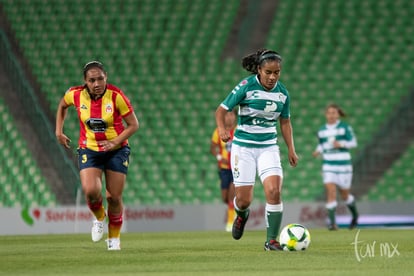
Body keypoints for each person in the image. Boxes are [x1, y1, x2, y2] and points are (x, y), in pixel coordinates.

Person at [215, 49, 299, 251]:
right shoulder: (246, 86)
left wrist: (291, 149)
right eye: (268, 72)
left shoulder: (283, 93)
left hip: (268, 148)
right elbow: (222, 110)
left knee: (274, 191)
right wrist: (222, 128)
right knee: (244, 201)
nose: (272, 77)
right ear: (259, 70)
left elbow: (285, 122)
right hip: (243, 148)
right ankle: (241, 215)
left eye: (276, 72)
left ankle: (271, 241)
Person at [55, 61, 139, 250]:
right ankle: (100, 217)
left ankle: (114, 240)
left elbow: (134, 125)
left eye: (100, 78)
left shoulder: (116, 96)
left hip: (116, 150)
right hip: (89, 148)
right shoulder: (75, 95)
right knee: (91, 191)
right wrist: (58, 132)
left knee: (114, 198)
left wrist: (115, 142)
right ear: (85, 81)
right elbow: (62, 106)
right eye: (92, 80)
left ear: (106, 77)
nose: (97, 83)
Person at [312, 103, 359, 230]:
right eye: (329, 113)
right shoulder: (322, 130)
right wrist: (318, 151)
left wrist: (342, 144)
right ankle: (332, 223)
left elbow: (353, 142)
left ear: (338, 114)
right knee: (331, 192)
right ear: (326, 114)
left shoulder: (344, 127)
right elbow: (322, 144)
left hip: (344, 166)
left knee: (345, 196)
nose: (331, 115)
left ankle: (355, 215)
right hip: (328, 165)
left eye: (334, 113)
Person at [210, 109, 237, 232]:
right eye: (227, 115)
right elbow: (213, 148)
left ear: (235, 117)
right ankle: (235, 211)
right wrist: (220, 157)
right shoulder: (218, 131)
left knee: (232, 195)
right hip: (224, 169)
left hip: (236, 168)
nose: (229, 117)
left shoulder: (239, 131)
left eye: (232, 115)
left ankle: (231, 223)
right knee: (225, 197)